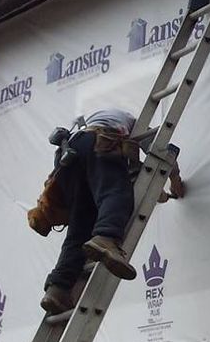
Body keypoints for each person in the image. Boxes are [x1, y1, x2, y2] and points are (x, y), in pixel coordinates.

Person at [38, 108, 187, 315]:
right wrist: (175, 180)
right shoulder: (132, 124)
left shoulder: (87, 125)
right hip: (98, 141)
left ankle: (58, 289)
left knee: (79, 229)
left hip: (68, 156)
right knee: (115, 193)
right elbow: (159, 153)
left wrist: (158, 193)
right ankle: (106, 238)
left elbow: (133, 175)